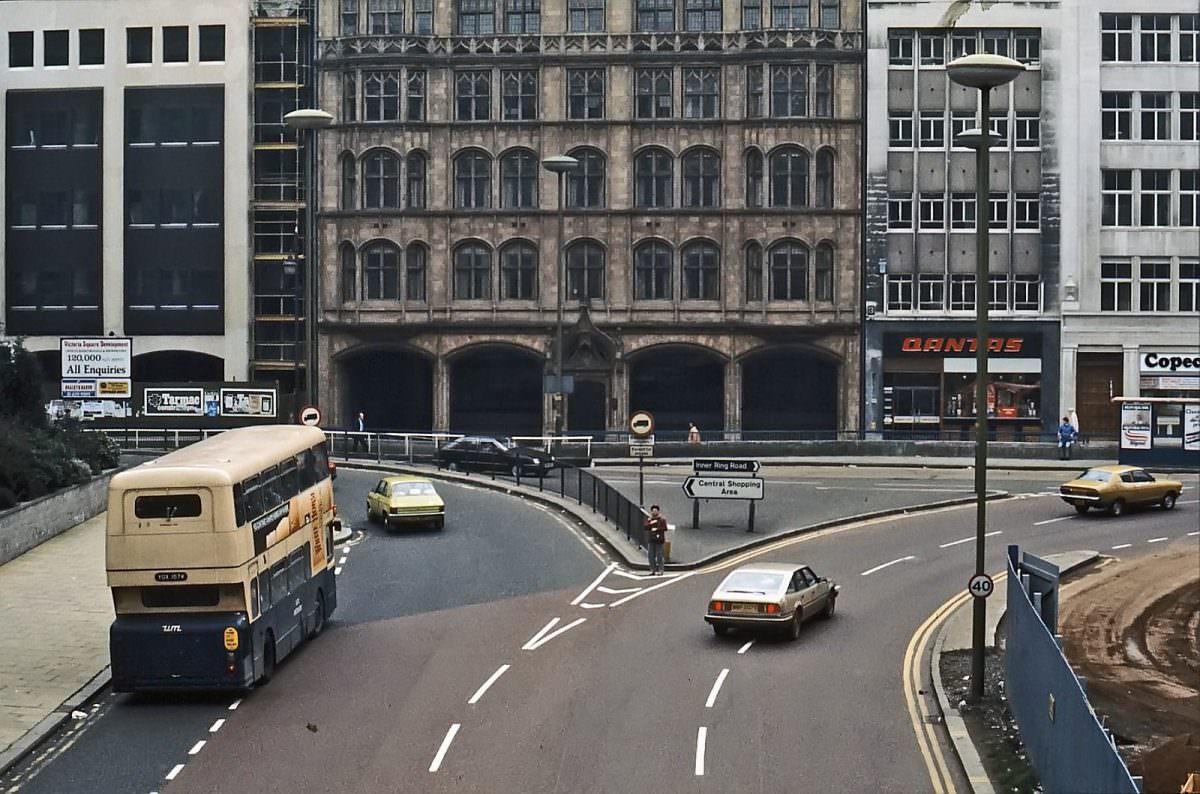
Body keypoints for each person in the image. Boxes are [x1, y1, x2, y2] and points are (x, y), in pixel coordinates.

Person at [644, 505, 668, 575]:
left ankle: (660, 570)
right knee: (650, 555)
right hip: (651, 539)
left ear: (658, 511)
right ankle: (653, 570)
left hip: (659, 540)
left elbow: (665, 528)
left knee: (659, 555)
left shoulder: (662, 519)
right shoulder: (650, 519)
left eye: (655, 511)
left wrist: (657, 529)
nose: (654, 512)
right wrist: (650, 523)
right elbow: (645, 527)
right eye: (653, 511)